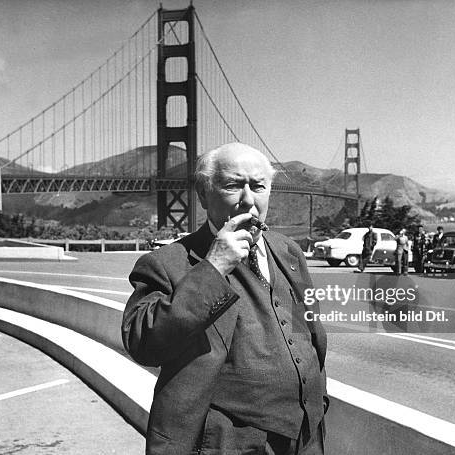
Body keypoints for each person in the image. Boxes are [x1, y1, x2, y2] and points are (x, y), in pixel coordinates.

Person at [121, 143, 328, 454]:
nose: (248, 198)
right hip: (227, 442)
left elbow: (310, 333)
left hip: (305, 436)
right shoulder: (166, 263)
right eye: (233, 185)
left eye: (258, 186)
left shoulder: (289, 251)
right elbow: (143, 344)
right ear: (204, 194)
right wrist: (214, 267)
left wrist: (317, 400)